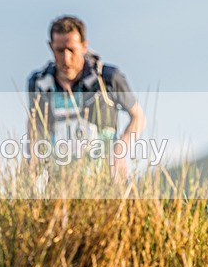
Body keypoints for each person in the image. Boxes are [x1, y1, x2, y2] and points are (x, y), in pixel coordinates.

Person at [27, 16, 145, 179]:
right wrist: (34, 159)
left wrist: (119, 150)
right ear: (50, 47)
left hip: (104, 181)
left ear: (84, 46)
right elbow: (36, 124)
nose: (66, 58)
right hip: (59, 183)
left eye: (71, 50)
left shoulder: (107, 78)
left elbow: (138, 117)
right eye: (59, 50)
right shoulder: (39, 84)